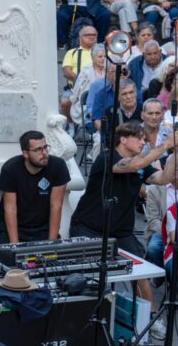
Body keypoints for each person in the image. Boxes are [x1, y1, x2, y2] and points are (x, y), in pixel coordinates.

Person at [72, 123, 178, 332]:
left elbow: (163, 178)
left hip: (121, 230)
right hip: (90, 227)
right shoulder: (107, 158)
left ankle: (151, 317)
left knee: (140, 273)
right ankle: (85, 315)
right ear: (123, 139)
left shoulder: (141, 166)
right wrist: (166, 143)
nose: (143, 142)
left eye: (144, 139)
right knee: (90, 274)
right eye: (139, 138)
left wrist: (175, 151)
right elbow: (133, 164)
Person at [0, 131, 71, 243]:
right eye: (38, 150)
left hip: (43, 228)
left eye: (45, 147)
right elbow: (10, 209)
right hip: (16, 227)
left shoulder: (58, 166)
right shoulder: (10, 169)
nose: (44, 153)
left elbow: (56, 205)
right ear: (25, 153)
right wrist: (15, 245)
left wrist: (51, 243)